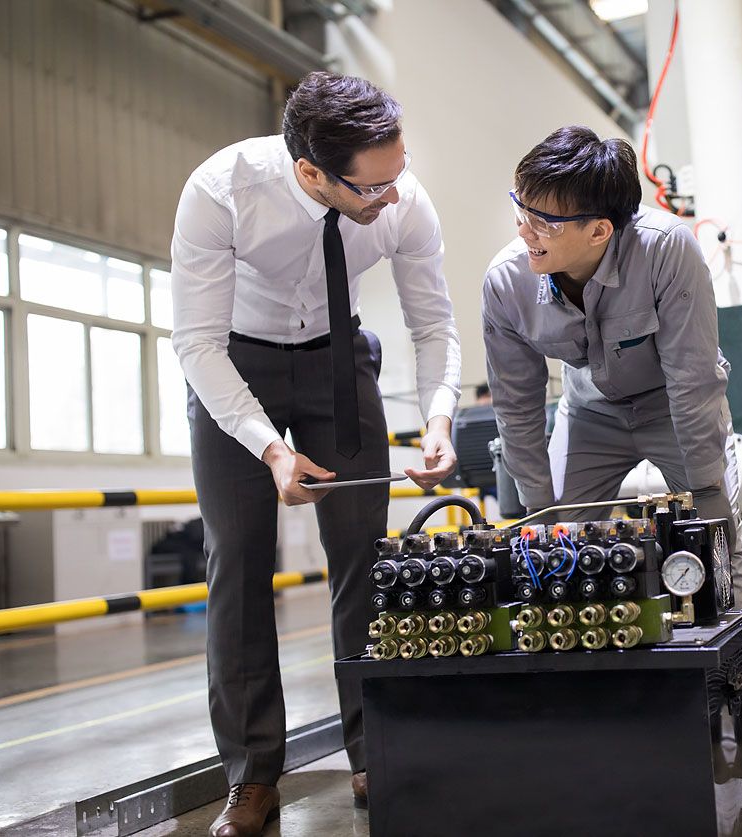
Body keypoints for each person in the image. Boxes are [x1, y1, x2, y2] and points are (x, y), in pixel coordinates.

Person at [171, 71, 460, 836]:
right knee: (237, 559)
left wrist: (438, 418)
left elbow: (434, 325)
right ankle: (251, 776)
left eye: (396, 175)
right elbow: (196, 342)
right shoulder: (221, 191)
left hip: (339, 360)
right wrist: (268, 448)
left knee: (365, 553)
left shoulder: (403, 196)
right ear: (311, 173)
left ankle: (374, 749)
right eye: (372, 188)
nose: (392, 197)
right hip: (235, 364)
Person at [480, 125, 742, 797]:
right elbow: (518, 405)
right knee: (557, 561)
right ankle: (585, 735)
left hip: (672, 407)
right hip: (586, 412)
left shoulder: (667, 252)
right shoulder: (506, 282)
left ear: (599, 231)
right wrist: (543, 514)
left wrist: (707, 499)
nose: (524, 228)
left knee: (718, 563)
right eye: (520, 207)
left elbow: (692, 379)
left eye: (543, 219)